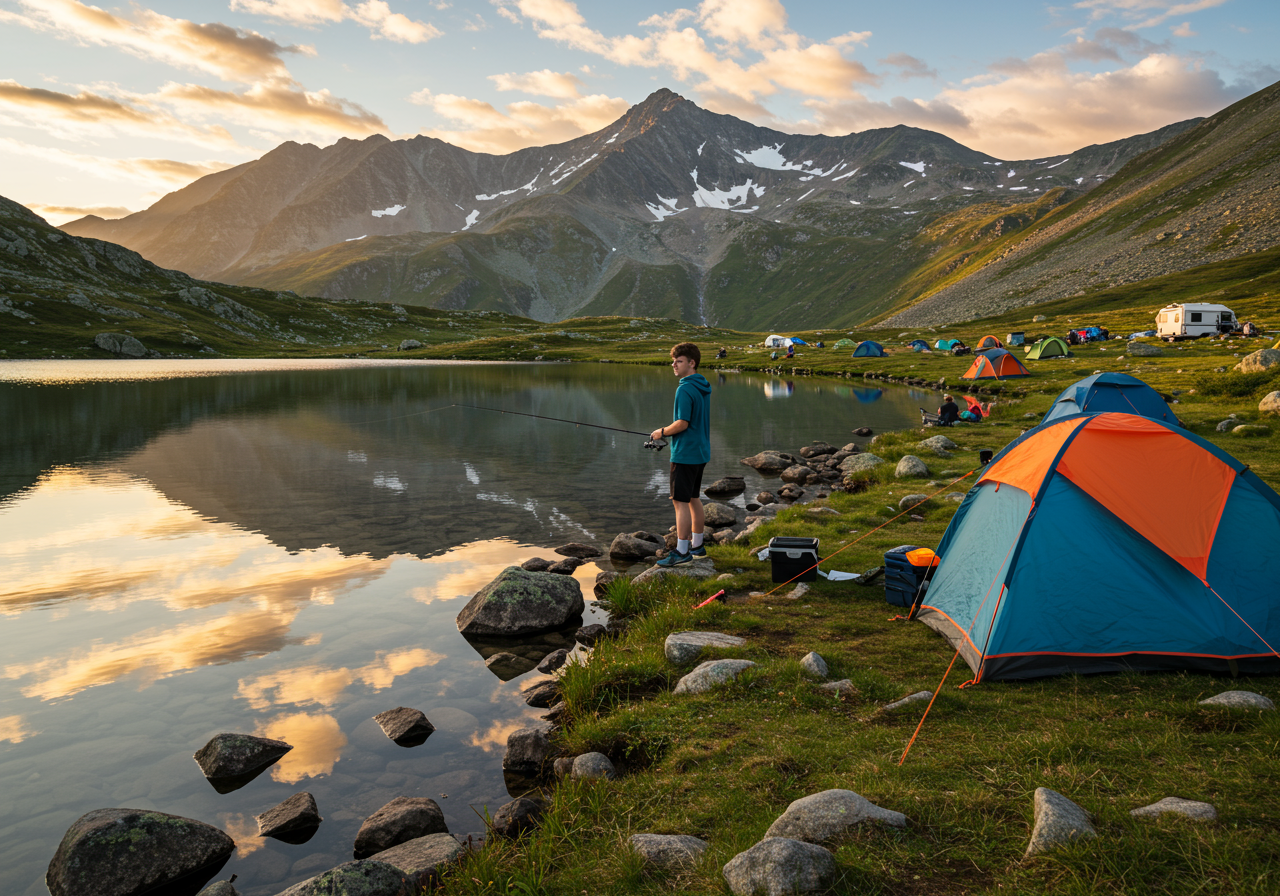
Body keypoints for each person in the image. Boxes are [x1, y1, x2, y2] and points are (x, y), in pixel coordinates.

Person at [650, 343, 712, 567]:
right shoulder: (702, 385)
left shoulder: (684, 388)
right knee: (694, 498)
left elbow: (682, 423)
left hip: (685, 454)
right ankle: (698, 546)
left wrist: (661, 432)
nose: (673, 365)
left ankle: (682, 552)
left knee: (680, 502)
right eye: (673, 361)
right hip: (701, 451)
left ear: (691, 363)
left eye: (679, 361)